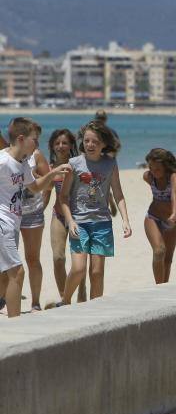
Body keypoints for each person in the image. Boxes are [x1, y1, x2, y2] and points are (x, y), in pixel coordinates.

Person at [0, 118, 70, 317]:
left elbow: (36, 187)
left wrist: (53, 172)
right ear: (21, 139)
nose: (38, 144)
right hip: (2, 223)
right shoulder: (3, 161)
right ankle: (15, 321)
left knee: (7, 275)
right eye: (35, 139)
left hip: (13, 223)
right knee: (17, 272)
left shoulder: (22, 164)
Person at [58, 120, 132, 303]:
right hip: (79, 223)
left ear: (104, 144)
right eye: (86, 141)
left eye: (95, 142)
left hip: (102, 223)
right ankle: (66, 300)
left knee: (97, 272)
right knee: (78, 269)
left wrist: (125, 220)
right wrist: (70, 221)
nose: (90, 145)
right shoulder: (73, 164)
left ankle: (94, 307)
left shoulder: (110, 164)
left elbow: (118, 194)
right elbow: (63, 197)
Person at [46, 129, 86, 302]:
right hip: (59, 215)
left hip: (80, 217)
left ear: (71, 145)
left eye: (64, 143)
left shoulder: (78, 164)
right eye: (57, 143)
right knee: (58, 258)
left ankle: (82, 291)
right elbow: (45, 194)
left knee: (79, 262)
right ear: (52, 146)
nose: (61, 146)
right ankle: (64, 297)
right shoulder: (49, 168)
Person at [143, 148, 176, 284]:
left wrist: (174, 213)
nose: (153, 171)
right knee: (159, 251)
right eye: (151, 167)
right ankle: (158, 287)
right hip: (153, 217)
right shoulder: (148, 176)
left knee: (168, 259)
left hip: (171, 221)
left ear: (165, 166)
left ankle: (164, 286)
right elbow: (149, 176)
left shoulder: (174, 176)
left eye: (157, 168)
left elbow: (175, 194)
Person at [18, 147, 51, 311]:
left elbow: (49, 184)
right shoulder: (6, 153)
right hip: (9, 214)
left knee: (32, 259)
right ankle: (5, 299)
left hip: (32, 213)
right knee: (7, 260)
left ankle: (35, 303)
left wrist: (42, 206)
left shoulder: (36, 155)